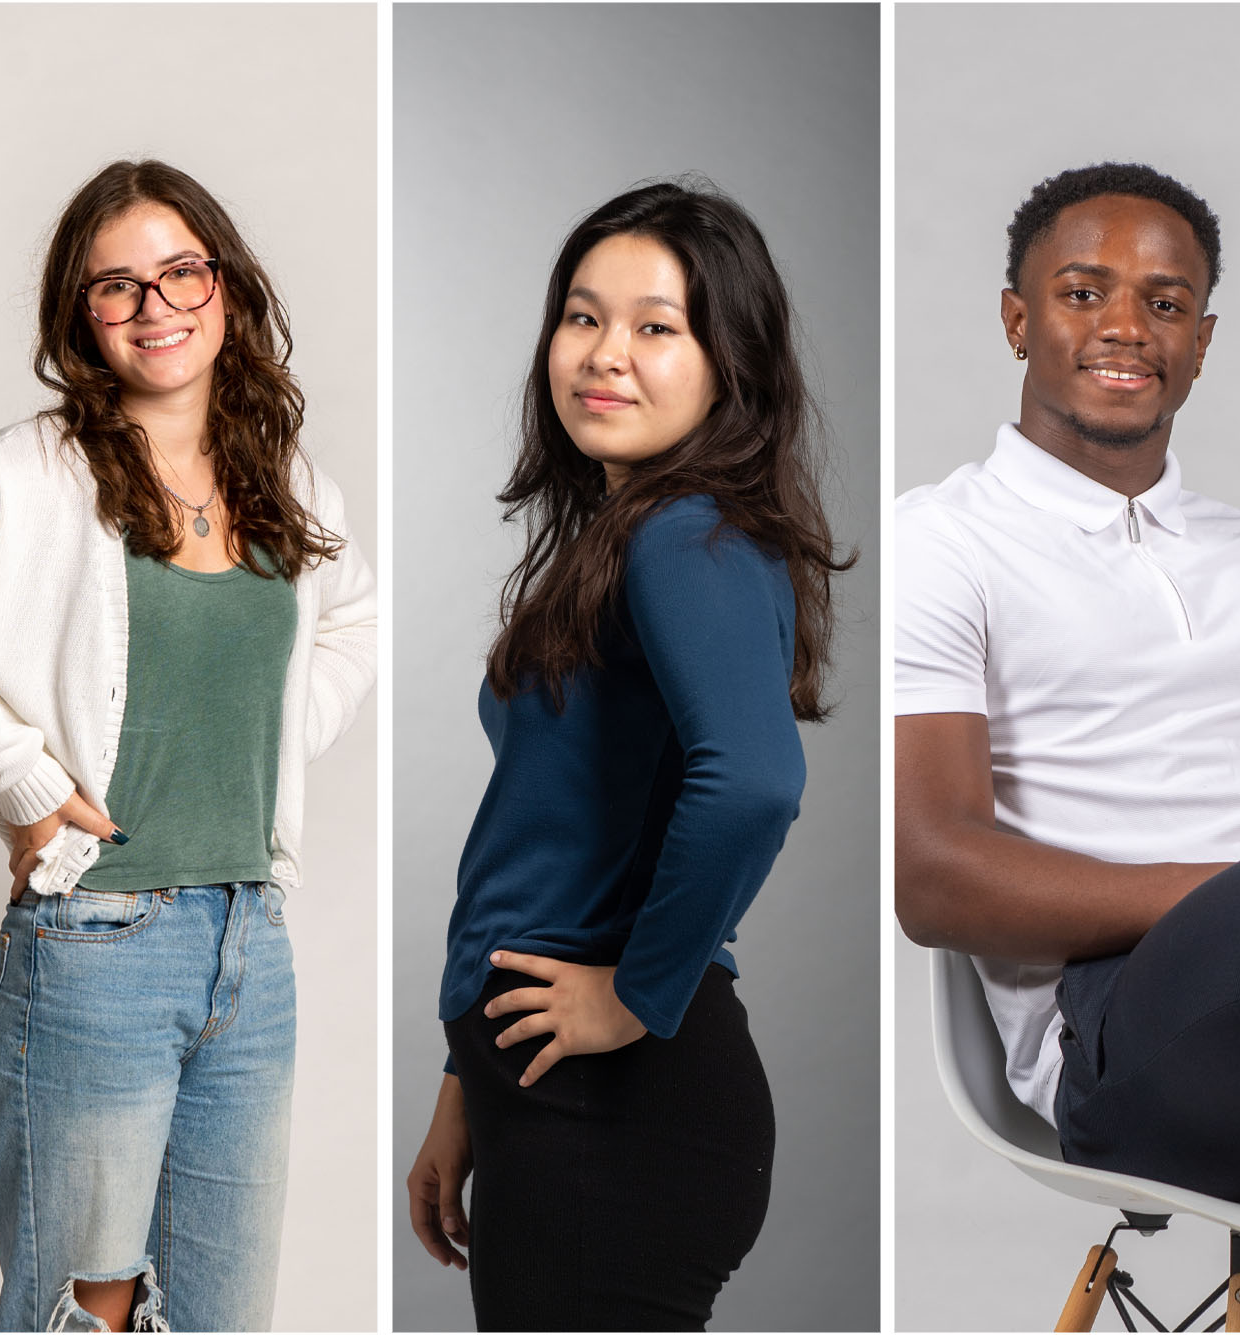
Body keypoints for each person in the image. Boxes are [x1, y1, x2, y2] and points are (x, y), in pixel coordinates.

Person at [0, 159, 376, 1333]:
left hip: (249, 949)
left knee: (218, 1317)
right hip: (93, 948)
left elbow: (352, 623)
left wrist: (272, 749)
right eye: (118, 289)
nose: (156, 308)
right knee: (86, 1316)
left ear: (228, 290)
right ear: (82, 318)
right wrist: (15, 768)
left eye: (180, 273)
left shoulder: (286, 482)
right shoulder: (33, 469)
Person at [404, 180, 851, 1331]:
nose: (603, 355)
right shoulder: (633, 535)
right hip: (552, 1092)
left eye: (656, 327)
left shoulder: (681, 533)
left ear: (726, 364)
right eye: (581, 316)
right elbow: (565, 836)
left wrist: (631, 996)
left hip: (618, 1107)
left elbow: (752, 783)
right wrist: (466, 1085)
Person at [896, 163, 1240, 1211]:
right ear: (1016, 321)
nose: (1124, 326)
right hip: (1124, 1051)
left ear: (1198, 341)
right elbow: (932, 880)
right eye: (1081, 294)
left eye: (1162, 304)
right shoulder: (938, 544)